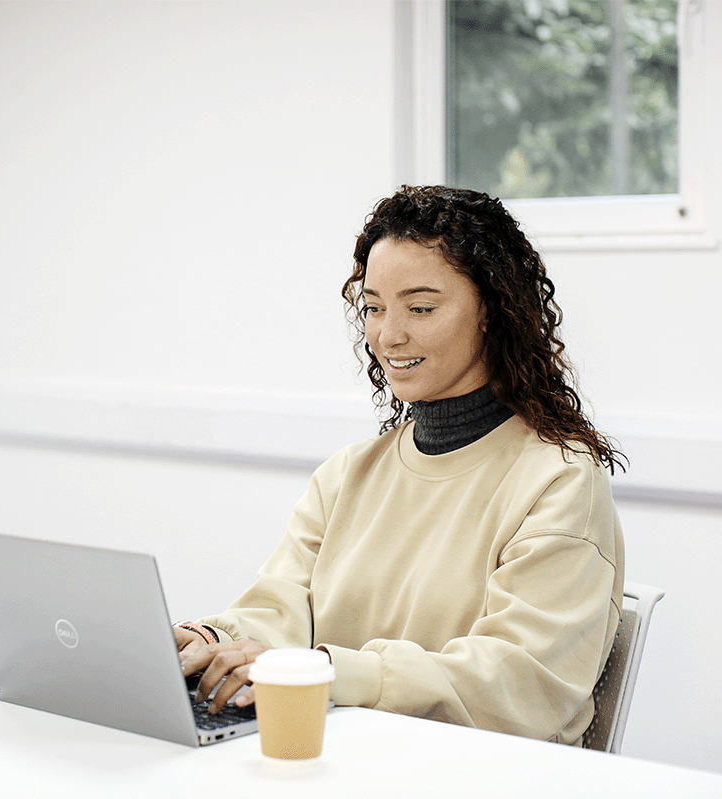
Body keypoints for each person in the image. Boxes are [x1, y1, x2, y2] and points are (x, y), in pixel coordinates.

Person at [174, 185, 626, 746]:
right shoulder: (347, 475)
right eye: (372, 308)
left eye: (421, 307)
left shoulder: (558, 480)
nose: (389, 336)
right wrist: (210, 641)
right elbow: (280, 611)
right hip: (347, 763)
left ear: (492, 309)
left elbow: (519, 683)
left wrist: (335, 672)